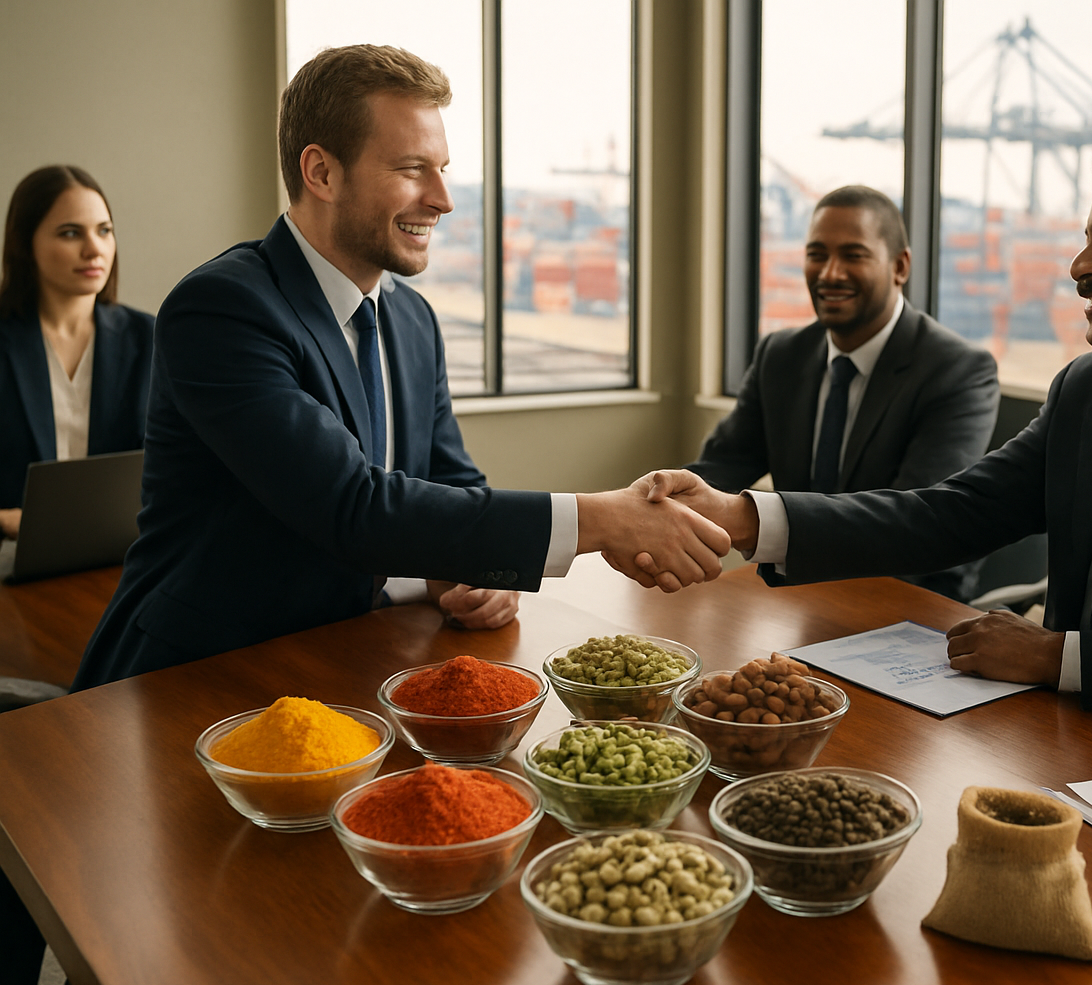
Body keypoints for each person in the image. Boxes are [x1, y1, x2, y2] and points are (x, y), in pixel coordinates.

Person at [630, 132, 1092, 724]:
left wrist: (1060, 657)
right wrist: (743, 515)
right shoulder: (1090, 389)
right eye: (1088, 238)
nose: (1078, 265)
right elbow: (949, 513)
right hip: (1053, 738)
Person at [71, 43, 726, 694]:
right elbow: (352, 508)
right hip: (204, 675)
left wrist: (471, 572)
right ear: (322, 173)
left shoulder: (412, 319)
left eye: (442, 169)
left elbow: (450, 480)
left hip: (355, 658)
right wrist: (604, 518)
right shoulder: (222, 309)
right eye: (414, 169)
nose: (442, 199)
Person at [685, 185, 998, 599]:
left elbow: (916, 526)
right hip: (797, 590)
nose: (830, 273)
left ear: (900, 266)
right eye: (817, 254)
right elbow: (721, 468)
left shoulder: (958, 371)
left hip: (908, 602)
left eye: (853, 255)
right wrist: (661, 513)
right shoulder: (781, 355)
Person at [0, 165, 153, 540]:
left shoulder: (147, 337)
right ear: (25, 243)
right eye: (71, 233)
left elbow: (172, 470)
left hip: (119, 556)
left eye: (104, 231)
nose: (94, 249)